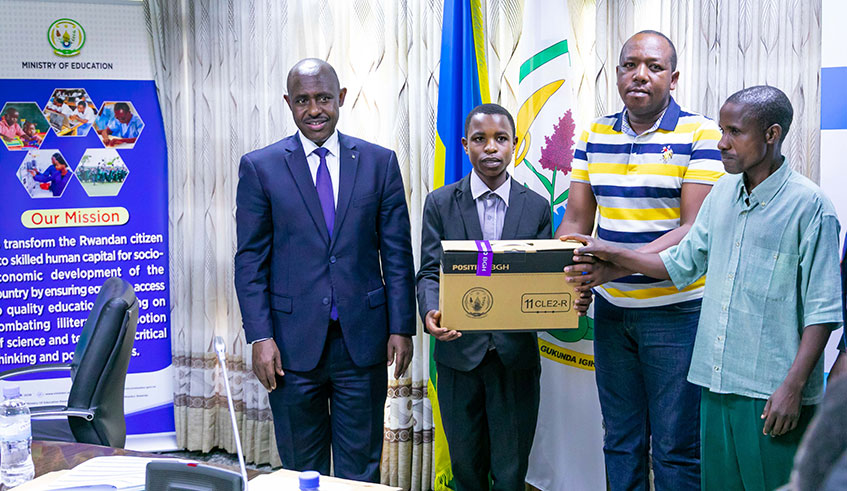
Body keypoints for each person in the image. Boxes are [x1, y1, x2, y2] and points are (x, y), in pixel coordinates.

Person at [564, 85, 842, 491]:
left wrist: (794, 387)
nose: (722, 143)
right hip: (715, 384)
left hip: (773, 393)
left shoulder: (811, 207)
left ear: (772, 134)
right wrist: (612, 261)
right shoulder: (723, 193)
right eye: (722, 131)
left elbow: (823, 311)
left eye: (734, 132)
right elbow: (680, 263)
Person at [553, 30, 724, 490]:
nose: (640, 75)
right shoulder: (594, 134)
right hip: (612, 314)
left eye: (654, 66)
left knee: (675, 448)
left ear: (674, 77)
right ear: (617, 74)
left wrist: (615, 263)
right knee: (620, 441)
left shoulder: (701, 133)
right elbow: (575, 221)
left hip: (677, 314)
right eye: (630, 65)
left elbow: (692, 230)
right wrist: (570, 277)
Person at [234, 58, 415, 482]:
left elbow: (396, 254)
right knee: (302, 470)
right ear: (288, 103)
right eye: (302, 100)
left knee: (360, 471)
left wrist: (401, 326)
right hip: (290, 348)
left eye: (323, 98)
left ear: (341, 98)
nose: (314, 110)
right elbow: (250, 260)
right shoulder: (260, 167)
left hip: (362, 343)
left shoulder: (379, 163)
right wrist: (260, 336)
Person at [416, 103, 550, 490]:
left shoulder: (537, 206)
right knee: (466, 469)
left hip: (515, 358)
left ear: (514, 144)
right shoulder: (440, 203)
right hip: (459, 356)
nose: (490, 147)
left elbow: (544, 279)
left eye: (500, 138)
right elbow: (429, 272)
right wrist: (431, 310)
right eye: (480, 139)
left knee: (510, 472)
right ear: (465, 145)